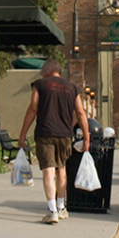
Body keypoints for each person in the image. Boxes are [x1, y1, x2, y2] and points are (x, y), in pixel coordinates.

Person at [17, 60, 89, 224]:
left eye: (42, 69)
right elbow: (80, 112)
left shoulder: (40, 85)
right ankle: (62, 207)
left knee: (48, 170)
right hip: (65, 135)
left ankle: (52, 211)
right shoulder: (72, 87)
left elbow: (33, 109)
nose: (41, 72)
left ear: (48, 70)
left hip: (45, 133)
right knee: (61, 169)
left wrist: (22, 134)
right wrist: (86, 136)